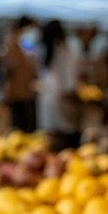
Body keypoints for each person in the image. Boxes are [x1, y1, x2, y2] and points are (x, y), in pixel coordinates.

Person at [37, 20, 80, 150]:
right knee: (65, 135)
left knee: (51, 136)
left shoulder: (44, 50)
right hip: (61, 97)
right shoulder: (64, 50)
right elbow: (70, 77)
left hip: (46, 97)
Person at [0, 17, 38, 133]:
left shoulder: (10, 39)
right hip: (21, 87)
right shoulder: (23, 39)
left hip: (18, 87)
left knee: (18, 124)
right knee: (23, 123)